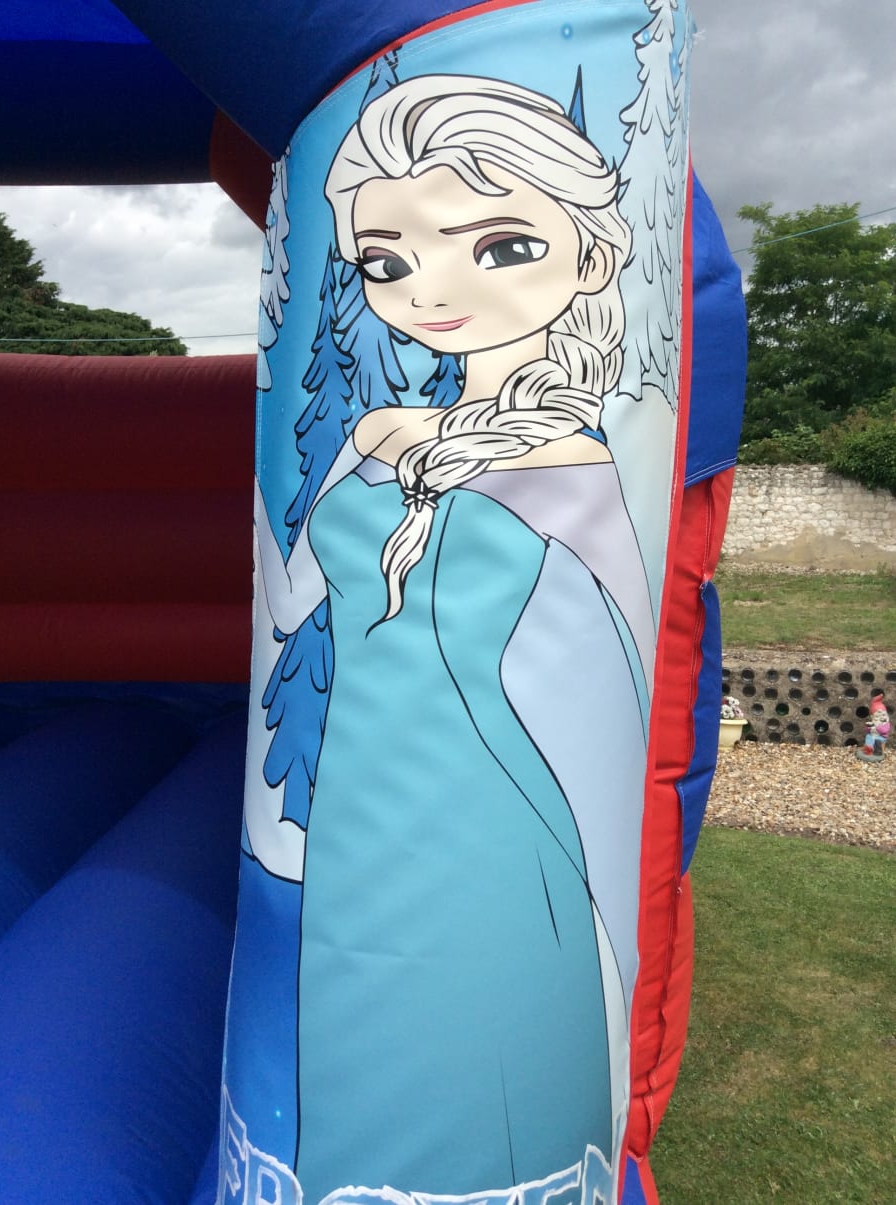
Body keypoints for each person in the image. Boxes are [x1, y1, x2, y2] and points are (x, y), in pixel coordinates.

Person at [248, 73, 656, 1201]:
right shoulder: (379, 435)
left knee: (474, 1090)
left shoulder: (577, 471)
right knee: (353, 1066)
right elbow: (290, 598)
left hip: (492, 829)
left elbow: (609, 708)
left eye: (502, 246)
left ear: (588, 255)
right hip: (363, 815)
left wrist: (618, 944)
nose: (431, 289)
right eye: (387, 261)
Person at [856, 690, 889, 761]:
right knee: (868, 737)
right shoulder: (874, 722)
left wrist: (876, 727)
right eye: (877, 716)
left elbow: (884, 731)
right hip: (872, 735)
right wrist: (869, 727)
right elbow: (868, 731)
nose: (881, 717)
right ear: (873, 717)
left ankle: (878, 752)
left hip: (881, 737)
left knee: (877, 740)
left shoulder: (885, 723)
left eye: (883, 715)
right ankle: (869, 749)